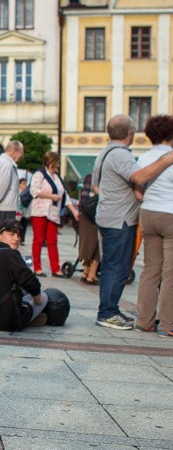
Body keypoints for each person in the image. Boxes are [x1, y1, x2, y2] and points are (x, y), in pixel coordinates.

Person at [92, 113, 173, 330]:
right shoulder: (121, 155)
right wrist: (166, 160)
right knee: (118, 268)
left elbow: (96, 186)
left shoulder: (107, 152)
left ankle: (135, 317)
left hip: (118, 215)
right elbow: (138, 178)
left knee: (141, 268)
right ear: (130, 133)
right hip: (121, 219)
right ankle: (108, 312)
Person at [134, 114, 173, 337]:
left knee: (150, 269)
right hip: (170, 214)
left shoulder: (143, 158)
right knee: (170, 272)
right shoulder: (170, 157)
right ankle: (168, 323)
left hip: (148, 213)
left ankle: (144, 320)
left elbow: (138, 191)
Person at [0, 221, 49, 331]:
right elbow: (30, 281)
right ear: (0, 235)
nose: (16, 239)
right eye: (11, 235)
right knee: (45, 296)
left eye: (19, 235)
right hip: (4, 321)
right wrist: (38, 298)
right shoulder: (10, 254)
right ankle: (29, 318)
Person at [29, 151, 78, 276]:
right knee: (39, 239)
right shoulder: (40, 174)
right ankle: (37, 267)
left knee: (52, 241)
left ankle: (55, 268)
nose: (58, 165)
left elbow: (64, 196)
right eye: (57, 162)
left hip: (53, 213)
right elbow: (34, 191)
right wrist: (51, 196)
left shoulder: (57, 177)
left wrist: (74, 211)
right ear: (51, 162)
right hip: (40, 211)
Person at [78, 173, 99, 284]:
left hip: (85, 212)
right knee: (98, 244)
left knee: (87, 243)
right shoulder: (104, 176)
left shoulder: (89, 176)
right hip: (96, 213)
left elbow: (83, 195)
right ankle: (92, 274)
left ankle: (85, 271)